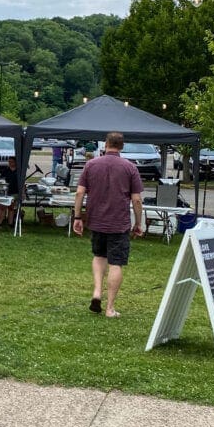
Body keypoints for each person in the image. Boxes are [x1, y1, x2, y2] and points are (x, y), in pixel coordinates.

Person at [72, 132, 144, 318]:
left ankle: (97, 291)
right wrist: (138, 223)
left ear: (105, 144)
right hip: (119, 223)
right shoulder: (130, 167)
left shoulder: (91, 164)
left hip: (96, 220)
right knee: (116, 263)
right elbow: (136, 200)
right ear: (121, 146)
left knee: (99, 255)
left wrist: (77, 217)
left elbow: (79, 193)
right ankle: (110, 308)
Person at [0, 156, 20, 228]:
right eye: (9, 162)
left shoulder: (19, 171)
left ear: (15, 162)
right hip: (5, 191)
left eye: (11, 162)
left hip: (14, 191)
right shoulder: (5, 170)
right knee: (2, 207)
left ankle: (10, 223)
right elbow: (0, 179)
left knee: (11, 208)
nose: (10, 163)